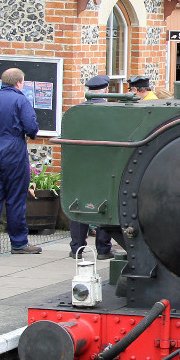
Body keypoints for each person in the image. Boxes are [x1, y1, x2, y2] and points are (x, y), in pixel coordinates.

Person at [0, 68, 41, 256]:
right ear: (19, 82)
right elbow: (31, 127)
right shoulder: (21, 100)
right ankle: (19, 243)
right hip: (13, 151)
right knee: (15, 198)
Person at [70, 74, 114, 260]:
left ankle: (77, 248)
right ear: (105, 90)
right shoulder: (112, 112)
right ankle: (103, 249)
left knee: (78, 204)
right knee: (104, 205)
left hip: (79, 164)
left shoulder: (75, 112)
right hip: (104, 165)